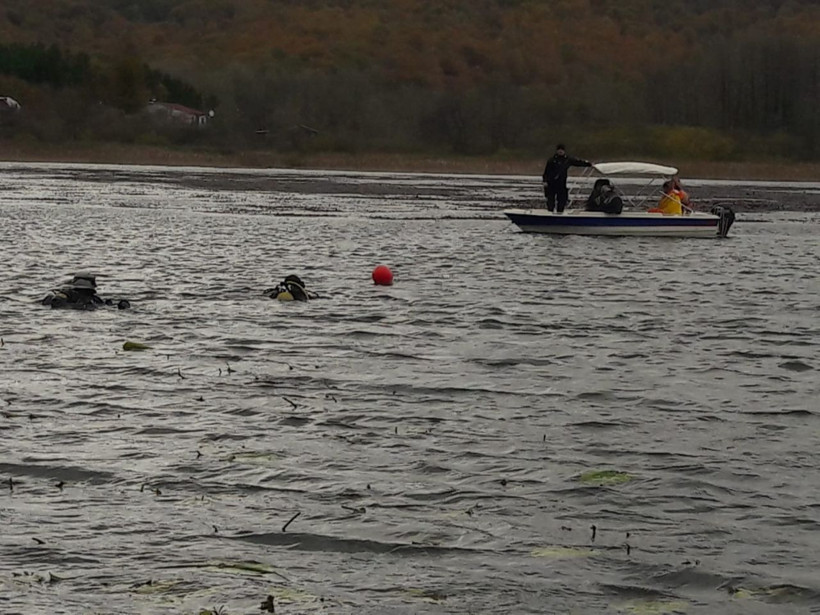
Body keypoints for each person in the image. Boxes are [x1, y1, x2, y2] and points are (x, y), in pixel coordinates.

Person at [542, 143, 593, 213]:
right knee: (550, 200)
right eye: (559, 150)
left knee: (562, 200)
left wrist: (588, 164)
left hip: (561, 184)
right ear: (557, 151)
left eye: (562, 150)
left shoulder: (567, 160)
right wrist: (545, 181)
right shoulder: (551, 160)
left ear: (564, 151)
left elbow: (577, 162)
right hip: (551, 183)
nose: (560, 151)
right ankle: (550, 212)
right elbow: (546, 172)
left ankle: (560, 212)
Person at [41, 273, 130, 310]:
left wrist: (117, 306)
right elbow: (57, 303)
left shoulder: (94, 298)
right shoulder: (68, 293)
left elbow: (102, 306)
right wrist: (80, 306)